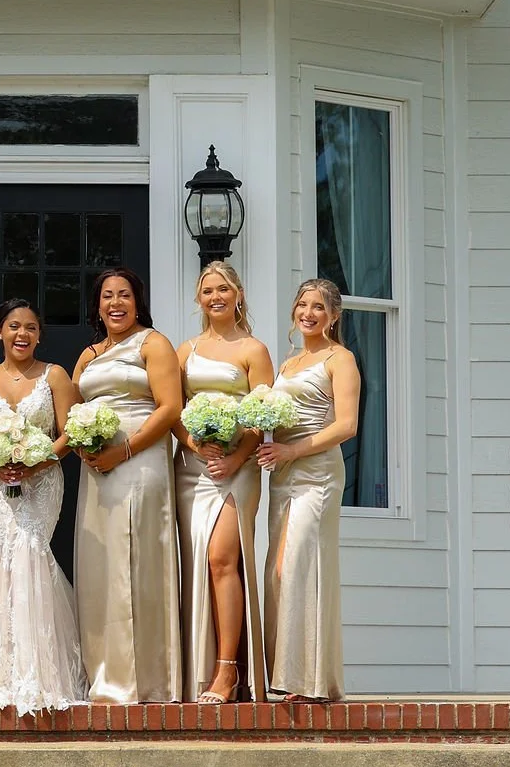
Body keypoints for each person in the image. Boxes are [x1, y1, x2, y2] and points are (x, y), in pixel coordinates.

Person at [0, 299, 86, 714]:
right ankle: (0, 673)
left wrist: (36, 462)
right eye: (13, 326)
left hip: (43, 481)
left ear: (39, 334)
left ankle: (43, 672)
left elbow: (70, 432)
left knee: (30, 552)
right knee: (1, 558)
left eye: (29, 327)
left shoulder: (55, 376)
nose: (22, 334)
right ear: (0, 332)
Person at [72, 267, 184, 704]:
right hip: (97, 469)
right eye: (106, 296)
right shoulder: (89, 353)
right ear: (97, 305)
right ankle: (104, 674)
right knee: (102, 566)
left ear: (138, 302)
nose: (115, 304)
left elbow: (170, 407)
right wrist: (84, 446)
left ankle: (148, 680)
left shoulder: (153, 344)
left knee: (138, 562)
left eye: (124, 295)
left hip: (141, 462)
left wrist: (126, 450)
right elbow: (71, 409)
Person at [173, 262, 273, 703]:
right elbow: (172, 409)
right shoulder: (186, 349)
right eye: (208, 290)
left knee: (222, 559)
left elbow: (264, 413)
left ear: (238, 294)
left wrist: (235, 457)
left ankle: (228, 670)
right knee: (199, 564)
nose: (216, 297)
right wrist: (194, 445)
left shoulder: (254, 349)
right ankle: (207, 664)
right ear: (199, 299)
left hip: (239, 466)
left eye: (223, 289)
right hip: (194, 469)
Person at [258, 278, 361, 702]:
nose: (308, 313)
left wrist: (291, 450)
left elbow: (346, 426)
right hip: (283, 474)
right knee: (278, 571)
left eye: (318, 307)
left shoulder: (341, 359)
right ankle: (286, 675)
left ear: (333, 315)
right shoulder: (287, 364)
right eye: (303, 304)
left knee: (302, 564)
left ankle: (311, 682)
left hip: (317, 472)